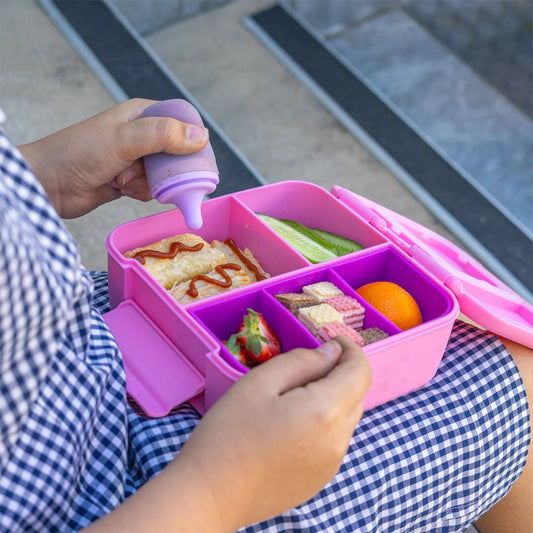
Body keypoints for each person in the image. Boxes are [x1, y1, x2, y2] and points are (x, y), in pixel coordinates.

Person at [0, 98, 530, 533]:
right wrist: (221, 486)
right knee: (518, 371)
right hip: (134, 492)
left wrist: (35, 174)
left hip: (70, 342)